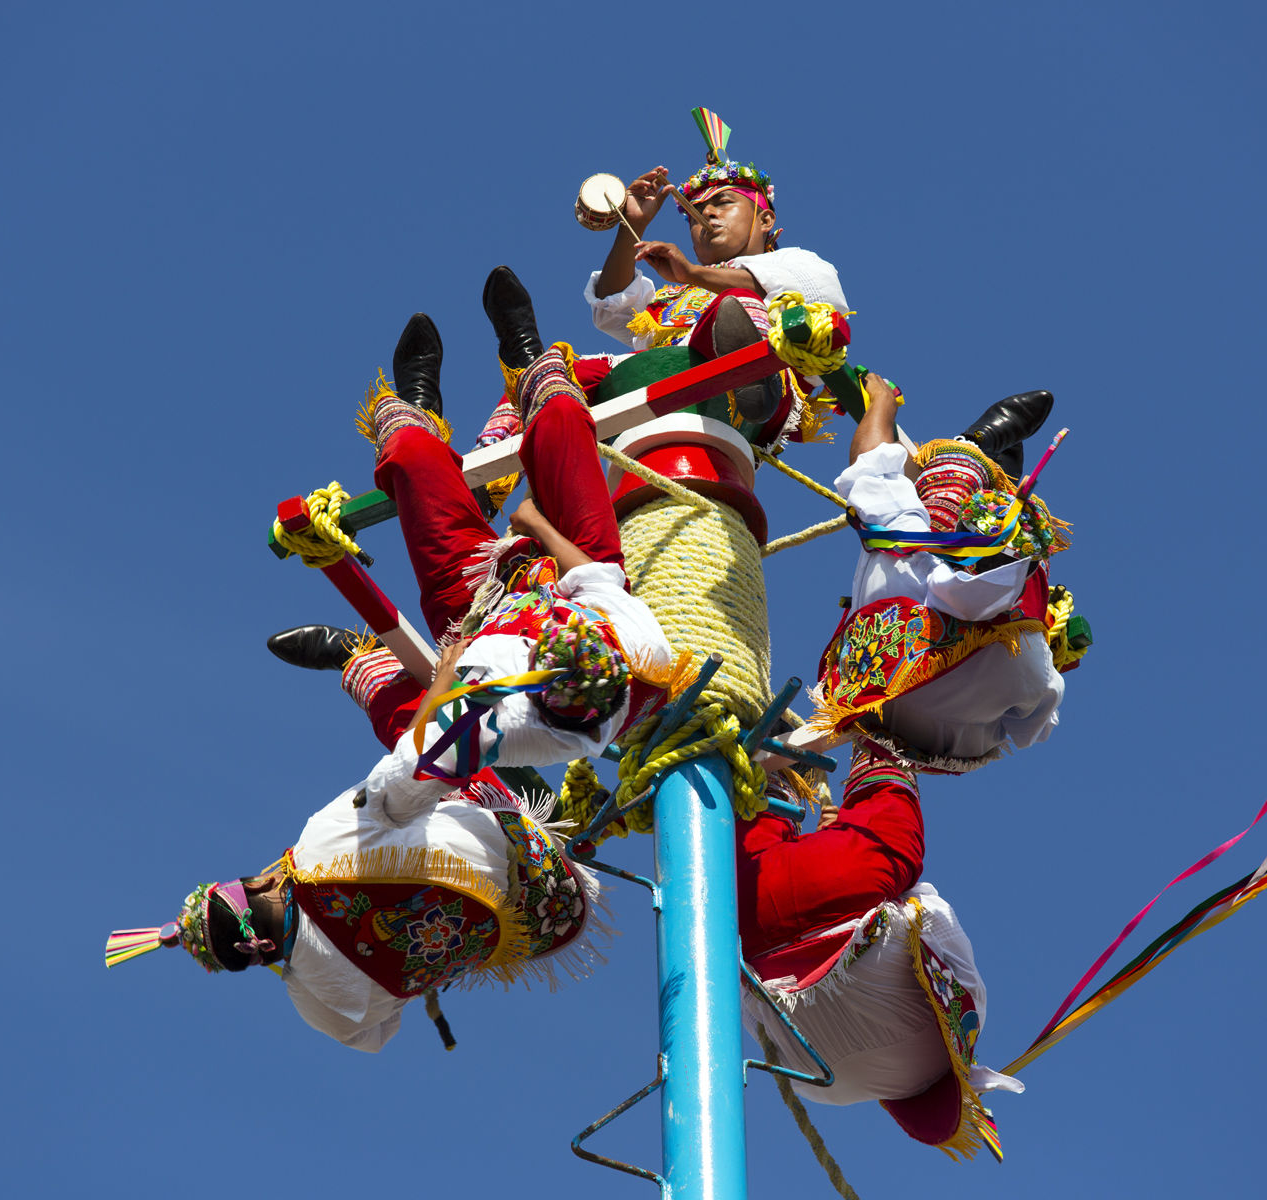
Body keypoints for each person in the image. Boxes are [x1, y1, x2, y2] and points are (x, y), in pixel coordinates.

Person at [269, 280, 683, 766]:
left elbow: (416, 759)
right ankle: (526, 355)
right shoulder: (634, 648)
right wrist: (536, 526)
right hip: (576, 570)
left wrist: (445, 679)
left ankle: (419, 411)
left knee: (409, 456)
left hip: (473, 614)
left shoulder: (509, 729)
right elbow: (597, 580)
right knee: (563, 420)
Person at [103, 683, 606, 1052]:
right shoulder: (318, 848)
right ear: (259, 883)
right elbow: (416, 772)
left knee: (405, 793)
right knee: (412, 744)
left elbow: (377, 1034)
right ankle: (362, 666)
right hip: (524, 840)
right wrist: (443, 692)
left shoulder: (317, 1006)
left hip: (556, 916)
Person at [735, 754, 1022, 1159]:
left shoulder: (956, 1039)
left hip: (846, 887)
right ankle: (773, 785)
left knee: (891, 820)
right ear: (895, 1110)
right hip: (750, 915)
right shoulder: (822, 1090)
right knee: (754, 836)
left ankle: (879, 731)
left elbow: (933, 923)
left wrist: (839, 859)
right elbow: (754, 1011)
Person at [806, 374, 1074, 773]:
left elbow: (872, 470)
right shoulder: (1029, 666)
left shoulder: (909, 572)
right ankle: (977, 469)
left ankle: (968, 453)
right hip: (947, 741)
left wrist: (882, 402)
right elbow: (1033, 729)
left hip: (881, 689)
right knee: (901, 523)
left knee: (897, 523)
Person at [585, 147, 846, 422]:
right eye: (695, 212)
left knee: (735, 306)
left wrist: (693, 273)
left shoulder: (795, 261)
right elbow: (612, 304)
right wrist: (632, 226)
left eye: (723, 202)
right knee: (559, 373)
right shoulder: (676, 291)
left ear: (765, 220)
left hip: (749, 404)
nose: (707, 214)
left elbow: (819, 299)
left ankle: (751, 379)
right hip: (662, 392)